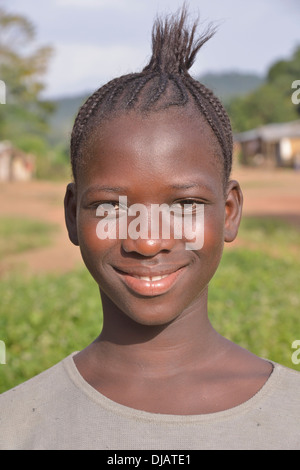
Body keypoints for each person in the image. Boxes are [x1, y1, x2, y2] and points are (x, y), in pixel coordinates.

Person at [0, 7, 299, 450]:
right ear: (71, 216)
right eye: (110, 207)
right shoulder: (15, 425)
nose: (148, 240)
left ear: (230, 211)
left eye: (186, 205)